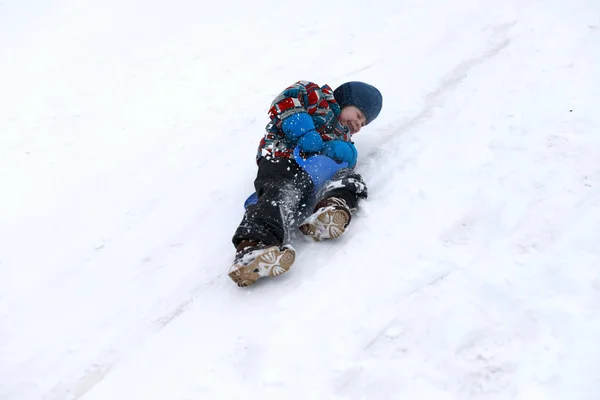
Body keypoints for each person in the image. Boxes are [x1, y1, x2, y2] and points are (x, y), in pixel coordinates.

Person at [229, 80, 383, 287]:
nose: (357, 125)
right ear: (347, 100)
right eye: (358, 116)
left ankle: (331, 209)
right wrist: (304, 132)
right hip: (283, 158)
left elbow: (346, 161)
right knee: (280, 195)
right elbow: (285, 101)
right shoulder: (316, 97)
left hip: (312, 178)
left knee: (349, 178)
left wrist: (344, 152)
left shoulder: (343, 137)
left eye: (363, 124)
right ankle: (253, 249)